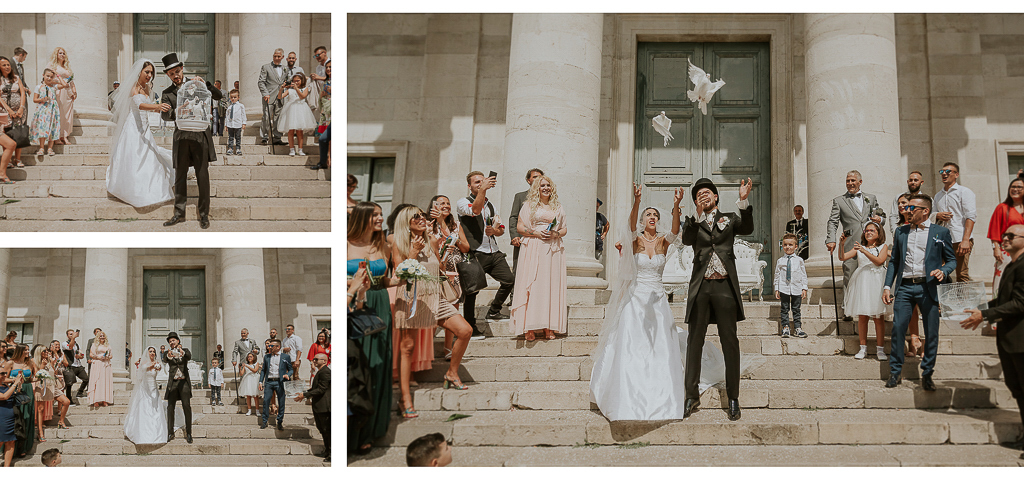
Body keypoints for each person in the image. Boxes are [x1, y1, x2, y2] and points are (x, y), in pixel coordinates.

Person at [590, 184, 692, 420]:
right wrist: (637, 201)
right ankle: (628, 389)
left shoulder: (663, 243)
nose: (653, 218)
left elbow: (676, 230)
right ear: (643, 220)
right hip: (636, 299)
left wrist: (676, 205)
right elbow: (628, 224)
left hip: (657, 298)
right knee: (632, 345)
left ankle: (663, 389)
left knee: (661, 345)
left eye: (655, 215)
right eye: (649, 215)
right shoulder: (634, 241)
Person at [680, 177, 755, 420]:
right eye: (699, 194)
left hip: (724, 287)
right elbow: (687, 239)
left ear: (716, 197)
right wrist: (697, 214)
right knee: (694, 341)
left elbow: (747, 228)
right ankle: (691, 395)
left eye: (707, 193)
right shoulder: (694, 223)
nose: (704, 196)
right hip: (701, 287)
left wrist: (743, 201)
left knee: (730, 341)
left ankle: (733, 397)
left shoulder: (731, 219)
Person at [392, 205, 474, 417]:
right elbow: (400, 273)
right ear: (406, 221)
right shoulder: (397, 242)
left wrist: (442, 259)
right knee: (407, 348)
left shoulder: (431, 239)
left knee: (465, 331)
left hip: (435, 297)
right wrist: (413, 252)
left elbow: (437, 265)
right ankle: (405, 398)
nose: (421, 218)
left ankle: (451, 372)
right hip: (411, 298)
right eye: (416, 216)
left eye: (422, 215)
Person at [961, 223, 1024, 458]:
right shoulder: (1011, 266)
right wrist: (979, 311)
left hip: (1021, 339)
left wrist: (984, 315)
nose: (1003, 238)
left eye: (1010, 235)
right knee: (1016, 388)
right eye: (1003, 234)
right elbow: (1002, 301)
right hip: (1009, 340)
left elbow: (1020, 303)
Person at [883, 193, 956, 390]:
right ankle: (895, 372)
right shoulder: (901, 232)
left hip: (928, 287)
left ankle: (928, 374)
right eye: (906, 207)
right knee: (898, 328)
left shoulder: (940, 232)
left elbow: (951, 260)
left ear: (925, 211)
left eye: (911, 208)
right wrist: (887, 286)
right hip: (905, 286)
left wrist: (944, 270)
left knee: (932, 332)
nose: (907, 210)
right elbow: (894, 262)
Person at [348, 202, 394, 453]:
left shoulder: (383, 245)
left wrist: (408, 273)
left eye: (380, 214)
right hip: (352, 305)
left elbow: (387, 280)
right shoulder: (344, 243)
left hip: (379, 303)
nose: (380, 218)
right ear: (362, 217)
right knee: (357, 369)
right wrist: (353, 284)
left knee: (377, 366)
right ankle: (349, 434)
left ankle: (370, 430)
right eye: (375, 215)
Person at [160, 53, 223, 230]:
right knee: (180, 176)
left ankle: (204, 215)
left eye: (177, 71)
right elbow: (165, 115)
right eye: (172, 74)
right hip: (181, 138)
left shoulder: (197, 84)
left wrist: (206, 84)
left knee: (202, 176)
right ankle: (179, 214)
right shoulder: (167, 94)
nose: (176, 76)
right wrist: (176, 111)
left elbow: (218, 96)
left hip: (200, 137)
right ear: (168, 75)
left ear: (182, 69)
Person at [106, 59, 175, 208]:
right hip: (133, 126)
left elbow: (151, 108)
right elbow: (141, 105)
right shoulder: (134, 87)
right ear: (139, 72)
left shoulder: (148, 89)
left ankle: (154, 184)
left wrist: (162, 108)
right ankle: (133, 187)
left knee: (150, 154)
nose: (150, 75)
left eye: (151, 72)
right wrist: (156, 105)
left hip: (145, 126)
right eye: (147, 72)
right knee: (135, 153)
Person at [457, 171, 515, 338]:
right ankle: (470, 326)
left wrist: (494, 231)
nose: (480, 184)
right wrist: (483, 190)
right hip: (475, 252)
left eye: (482, 182)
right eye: (477, 182)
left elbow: (501, 229)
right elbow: (474, 210)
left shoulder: (491, 206)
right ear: (469, 186)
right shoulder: (462, 203)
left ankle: (494, 310)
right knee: (472, 291)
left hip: (493, 251)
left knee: (509, 280)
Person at [511, 175, 568, 341]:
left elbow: (564, 228)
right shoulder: (529, 205)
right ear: (537, 188)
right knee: (533, 284)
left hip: (552, 249)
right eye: (542, 185)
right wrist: (535, 233)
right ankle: (528, 326)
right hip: (533, 246)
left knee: (549, 285)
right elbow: (520, 227)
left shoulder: (557, 206)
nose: (546, 188)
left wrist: (555, 233)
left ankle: (548, 326)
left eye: (548, 185)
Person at [825, 170, 886, 321]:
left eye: (853, 180)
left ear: (860, 182)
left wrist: (880, 219)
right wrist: (831, 239)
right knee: (849, 275)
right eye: (848, 181)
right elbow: (832, 222)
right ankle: (847, 309)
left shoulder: (870, 198)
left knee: (872, 274)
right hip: (851, 243)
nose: (850, 183)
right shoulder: (839, 201)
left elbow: (881, 216)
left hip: (870, 243)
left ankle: (874, 307)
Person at [427, 194, 470, 361]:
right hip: (435, 273)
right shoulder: (428, 225)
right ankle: (426, 349)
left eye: (448, 203)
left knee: (452, 312)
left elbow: (466, 248)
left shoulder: (455, 225)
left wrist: (454, 239)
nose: (446, 205)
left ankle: (447, 348)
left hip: (453, 273)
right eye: (441, 203)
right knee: (433, 314)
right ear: (433, 207)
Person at [839, 222, 890, 360]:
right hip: (863, 282)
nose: (868, 232)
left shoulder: (882, 247)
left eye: (872, 230)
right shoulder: (859, 247)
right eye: (867, 230)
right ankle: (863, 348)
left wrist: (864, 251)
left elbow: (879, 261)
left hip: (877, 282)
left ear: (879, 233)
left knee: (878, 317)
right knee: (862, 317)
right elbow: (842, 257)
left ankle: (880, 349)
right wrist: (842, 244)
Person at [124, 346, 185, 445]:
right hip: (145, 389)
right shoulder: (143, 363)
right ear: (147, 353)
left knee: (155, 410)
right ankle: (143, 433)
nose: (152, 353)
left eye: (153, 352)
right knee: (145, 409)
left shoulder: (157, 362)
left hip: (154, 389)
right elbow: (143, 370)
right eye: (150, 351)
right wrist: (152, 367)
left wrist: (158, 367)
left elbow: (158, 370)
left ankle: (157, 432)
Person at [932, 162, 977, 282]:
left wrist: (966, 240)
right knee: (937, 272)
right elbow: (932, 215)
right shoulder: (938, 196)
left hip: (960, 238)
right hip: (942, 239)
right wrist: (937, 215)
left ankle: (963, 300)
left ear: (956, 174)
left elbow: (971, 216)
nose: (944, 174)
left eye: (948, 171)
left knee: (962, 273)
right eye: (942, 172)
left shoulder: (964, 192)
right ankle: (940, 300)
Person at [508, 168, 545, 289]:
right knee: (519, 268)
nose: (537, 179)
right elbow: (513, 217)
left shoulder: (546, 197)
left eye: (539, 177)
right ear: (528, 180)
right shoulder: (520, 196)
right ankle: (515, 299)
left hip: (541, 240)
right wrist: (515, 236)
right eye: (534, 177)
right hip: (523, 238)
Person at [989, 177, 1024, 291]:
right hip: (1007, 250)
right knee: (1003, 276)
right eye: (1013, 187)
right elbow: (995, 229)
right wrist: (996, 248)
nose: (1015, 189)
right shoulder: (1002, 208)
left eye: (1019, 187)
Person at [295, 352, 330, 462]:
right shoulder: (320, 371)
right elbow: (317, 388)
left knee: (327, 430)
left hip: (324, 406)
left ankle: (332, 453)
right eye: (314, 359)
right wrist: (304, 393)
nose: (314, 361)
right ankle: (328, 450)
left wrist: (305, 395)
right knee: (322, 429)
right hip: (319, 406)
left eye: (316, 359)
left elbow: (322, 389)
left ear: (324, 361)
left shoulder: (325, 372)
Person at [162, 332, 194, 443]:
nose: (172, 342)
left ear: (178, 341)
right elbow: (165, 359)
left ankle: (189, 433)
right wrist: (168, 356)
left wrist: (182, 352)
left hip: (184, 383)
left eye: (173, 340)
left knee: (186, 406)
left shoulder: (185, 350)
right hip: (173, 383)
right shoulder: (168, 352)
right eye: (170, 341)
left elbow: (189, 357)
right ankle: (170, 432)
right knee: (170, 408)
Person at [774, 233, 808, 338]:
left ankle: (798, 328)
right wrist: (776, 289)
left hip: (796, 288)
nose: (787, 247)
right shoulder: (780, 261)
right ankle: (785, 328)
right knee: (784, 309)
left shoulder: (799, 260)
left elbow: (803, 275)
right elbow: (777, 275)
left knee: (796, 309)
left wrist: (804, 288)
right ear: (782, 246)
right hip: (784, 287)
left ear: (796, 246)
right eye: (785, 245)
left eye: (790, 245)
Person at [5, 344, 35, 457]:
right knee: (15, 418)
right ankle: (10, 446)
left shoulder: (30, 363)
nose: (28, 351)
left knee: (27, 417)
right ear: (20, 351)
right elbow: (3, 379)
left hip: (27, 389)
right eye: (25, 350)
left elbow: (31, 378)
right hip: (14, 390)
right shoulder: (10, 363)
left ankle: (23, 446)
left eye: (28, 349)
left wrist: (41, 378)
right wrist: (15, 380)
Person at [276, 73, 315, 157]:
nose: (296, 82)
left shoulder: (305, 88)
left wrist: (296, 88)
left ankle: (300, 149)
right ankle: (291, 149)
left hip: (301, 110)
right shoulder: (290, 90)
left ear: (302, 81)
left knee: (300, 131)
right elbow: (280, 97)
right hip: (291, 110)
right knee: (291, 130)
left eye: (298, 81)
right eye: (294, 81)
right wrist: (281, 89)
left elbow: (302, 96)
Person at [29, 68, 64, 158]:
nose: (49, 78)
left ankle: (50, 148)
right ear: (43, 75)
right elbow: (34, 99)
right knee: (42, 127)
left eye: (51, 77)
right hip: (43, 110)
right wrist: (42, 99)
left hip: (53, 110)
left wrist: (57, 75)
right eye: (47, 76)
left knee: (52, 126)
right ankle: (41, 148)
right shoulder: (39, 87)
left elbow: (64, 84)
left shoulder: (54, 87)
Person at [258, 339, 292, 430]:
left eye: (271, 346)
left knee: (281, 402)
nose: (269, 347)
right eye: (269, 345)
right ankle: (264, 421)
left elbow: (291, 369)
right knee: (266, 401)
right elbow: (263, 370)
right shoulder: (266, 357)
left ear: (278, 347)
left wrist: (287, 375)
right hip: (269, 382)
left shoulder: (285, 357)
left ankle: (280, 421)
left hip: (280, 382)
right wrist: (260, 382)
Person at [257, 48, 288, 146]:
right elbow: (261, 82)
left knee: (278, 118)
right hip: (269, 96)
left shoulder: (285, 68)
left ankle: (277, 137)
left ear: (282, 57)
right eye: (275, 56)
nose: (276, 58)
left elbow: (286, 82)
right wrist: (265, 93)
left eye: (278, 56)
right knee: (266, 117)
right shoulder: (266, 67)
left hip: (280, 96)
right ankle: (264, 137)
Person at [0, 56, 27, 168]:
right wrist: (9, 110)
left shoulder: (16, 77)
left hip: (19, 111)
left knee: (19, 133)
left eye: (8, 65)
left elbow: (22, 93)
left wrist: (21, 108)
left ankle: (18, 159)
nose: (7, 67)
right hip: (5, 111)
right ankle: (9, 159)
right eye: (4, 65)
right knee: (8, 134)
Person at [46, 47, 75, 145]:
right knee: (59, 114)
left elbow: (71, 81)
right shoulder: (52, 65)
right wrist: (60, 81)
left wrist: (74, 91)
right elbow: (47, 79)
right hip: (58, 91)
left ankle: (65, 136)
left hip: (68, 93)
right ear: (56, 55)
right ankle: (56, 136)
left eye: (63, 53)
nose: (62, 55)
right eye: (60, 53)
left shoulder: (67, 68)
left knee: (67, 115)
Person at [0, 367, 23, 466]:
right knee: (0, 441)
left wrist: (19, 385)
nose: (5, 375)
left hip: (11, 416)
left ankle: (6, 468)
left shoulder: (5, 384)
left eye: (5, 373)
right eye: (2, 373)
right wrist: (14, 383)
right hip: (2, 417)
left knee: (11, 441)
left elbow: (13, 394)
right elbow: (4, 396)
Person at [891, 171, 925, 236]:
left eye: (916, 180)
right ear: (907, 182)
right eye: (911, 180)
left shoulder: (926, 199)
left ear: (921, 182)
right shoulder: (899, 197)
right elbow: (893, 216)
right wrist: (895, 233)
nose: (913, 182)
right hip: (901, 231)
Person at [46, 341, 70, 428]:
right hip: (48, 381)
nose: (58, 346)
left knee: (66, 401)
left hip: (58, 375)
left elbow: (66, 364)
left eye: (58, 345)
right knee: (49, 401)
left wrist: (57, 355)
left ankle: (61, 420)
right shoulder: (47, 354)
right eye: (56, 345)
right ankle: (45, 418)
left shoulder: (61, 354)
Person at [87, 331, 113, 407]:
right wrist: (98, 357)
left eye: (103, 336)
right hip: (97, 363)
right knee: (97, 381)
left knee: (105, 381)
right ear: (98, 337)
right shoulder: (94, 345)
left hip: (106, 365)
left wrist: (107, 357)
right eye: (100, 336)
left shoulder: (107, 345)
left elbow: (111, 355)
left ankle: (105, 400)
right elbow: (91, 355)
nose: (102, 337)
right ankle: (95, 400)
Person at [60, 330, 87, 403]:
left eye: (73, 334)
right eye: (70, 334)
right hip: (71, 365)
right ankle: (69, 399)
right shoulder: (64, 343)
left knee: (86, 379)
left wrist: (80, 356)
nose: (72, 335)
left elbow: (80, 355)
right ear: (67, 336)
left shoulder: (77, 344)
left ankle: (80, 392)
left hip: (78, 365)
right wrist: (73, 338)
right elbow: (70, 348)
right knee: (69, 383)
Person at [223, 89, 245, 156]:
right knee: (230, 137)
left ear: (238, 97)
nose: (233, 99)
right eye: (232, 97)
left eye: (235, 97)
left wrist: (244, 123)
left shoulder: (241, 106)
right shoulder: (229, 107)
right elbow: (227, 117)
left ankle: (238, 149)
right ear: (230, 97)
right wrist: (226, 125)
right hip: (230, 125)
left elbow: (243, 115)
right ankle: (230, 148)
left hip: (238, 124)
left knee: (238, 137)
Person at [238, 351, 260, 416]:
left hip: (255, 379)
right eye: (248, 357)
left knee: (255, 396)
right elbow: (241, 373)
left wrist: (247, 366)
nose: (249, 358)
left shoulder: (256, 363)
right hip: (248, 380)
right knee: (248, 396)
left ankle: (257, 410)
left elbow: (255, 370)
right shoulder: (246, 365)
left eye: (251, 356)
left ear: (254, 357)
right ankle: (249, 409)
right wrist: (240, 368)